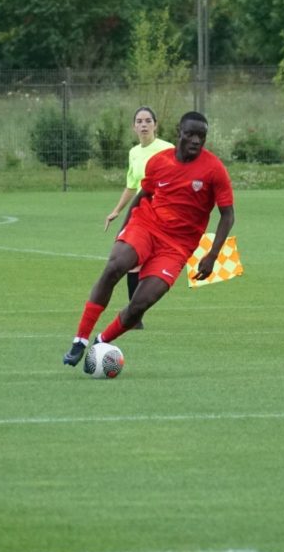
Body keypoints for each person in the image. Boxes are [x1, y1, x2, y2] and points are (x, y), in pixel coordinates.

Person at [64, 111, 235, 365]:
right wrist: (123, 231)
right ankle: (80, 340)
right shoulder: (159, 162)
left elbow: (228, 216)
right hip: (146, 225)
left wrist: (212, 255)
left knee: (140, 303)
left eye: (202, 136)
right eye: (191, 134)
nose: (196, 140)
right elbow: (143, 195)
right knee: (115, 266)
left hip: (177, 247)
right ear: (179, 132)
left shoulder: (214, 169)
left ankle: (101, 343)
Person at [103, 106, 175, 329]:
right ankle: (135, 318)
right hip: (142, 214)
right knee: (133, 264)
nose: (144, 125)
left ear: (155, 125)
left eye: (148, 121)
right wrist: (117, 210)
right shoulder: (134, 153)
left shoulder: (167, 149)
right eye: (139, 121)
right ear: (134, 127)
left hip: (163, 214)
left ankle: (134, 316)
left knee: (147, 262)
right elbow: (132, 186)